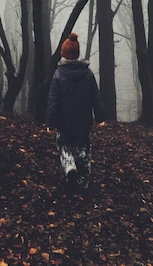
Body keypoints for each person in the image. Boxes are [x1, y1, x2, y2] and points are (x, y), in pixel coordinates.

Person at [46, 32, 105, 192]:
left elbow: (53, 100)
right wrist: (100, 117)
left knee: (63, 144)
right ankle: (84, 181)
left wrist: (50, 122)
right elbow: (95, 97)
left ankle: (70, 166)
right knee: (84, 147)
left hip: (64, 121)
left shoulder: (58, 75)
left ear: (63, 54)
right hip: (83, 121)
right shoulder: (88, 74)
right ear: (77, 54)